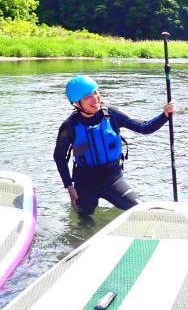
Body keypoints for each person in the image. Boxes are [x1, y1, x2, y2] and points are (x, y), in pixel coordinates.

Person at [53, 75, 176, 216]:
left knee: (139, 210)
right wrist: (69, 187)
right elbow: (59, 157)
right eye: (88, 96)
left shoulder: (112, 115)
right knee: (83, 220)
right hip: (85, 181)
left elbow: (145, 127)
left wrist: (165, 115)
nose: (95, 98)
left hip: (112, 178)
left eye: (95, 92)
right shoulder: (70, 126)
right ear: (76, 103)